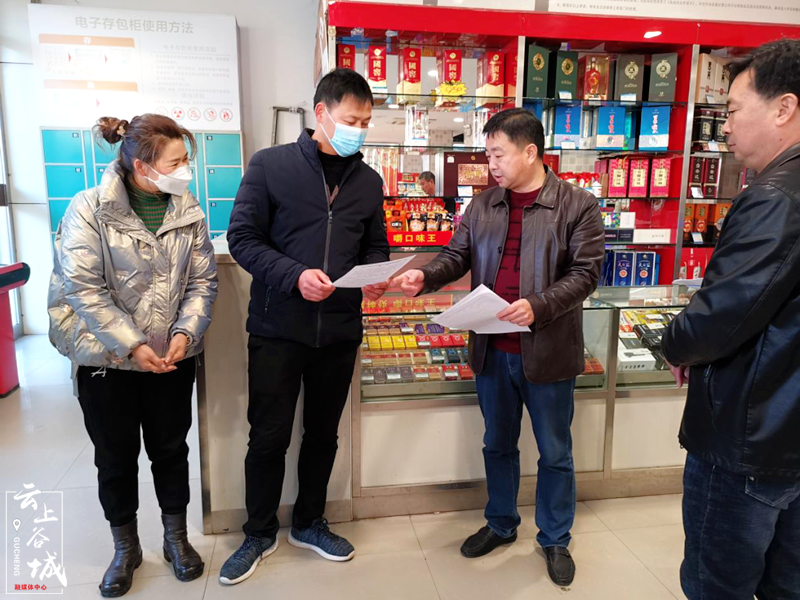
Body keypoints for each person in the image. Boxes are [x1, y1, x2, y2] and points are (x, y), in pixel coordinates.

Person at [392, 108, 603, 586]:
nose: (491, 165)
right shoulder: (483, 205)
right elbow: (456, 256)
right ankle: (501, 523)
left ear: (530, 152)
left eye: (498, 155)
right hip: (492, 350)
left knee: (555, 451)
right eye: (488, 155)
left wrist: (539, 305)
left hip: (548, 352)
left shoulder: (577, 205)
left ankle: (555, 537)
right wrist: (425, 275)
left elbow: (586, 273)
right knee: (497, 444)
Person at [220, 68, 389, 585]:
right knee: (268, 436)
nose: (359, 130)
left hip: (339, 330)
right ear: (321, 113)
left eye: (365, 122)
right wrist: (294, 275)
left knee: (322, 434)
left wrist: (376, 276)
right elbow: (242, 238)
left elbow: (374, 246)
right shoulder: (270, 166)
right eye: (351, 119)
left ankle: (310, 522)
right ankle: (258, 532)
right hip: (277, 327)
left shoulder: (369, 181)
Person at [47, 114, 218, 597]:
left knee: (171, 450)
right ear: (143, 166)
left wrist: (186, 332)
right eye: (176, 162)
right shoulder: (89, 209)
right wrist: (133, 345)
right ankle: (125, 548)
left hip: (171, 358)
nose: (185, 170)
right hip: (107, 360)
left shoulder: (187, 209)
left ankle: (175, 538)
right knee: (115, 457)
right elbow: (83, 287)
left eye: (185, 160)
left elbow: (203, 281)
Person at [661, 39, 800, 600]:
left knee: (717, 583)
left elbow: (719, 315)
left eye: (734, 110)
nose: (725, 127)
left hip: (750, 435)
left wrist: (675, 345)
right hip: (786, 433)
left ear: (784, 108)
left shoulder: (775, 197)